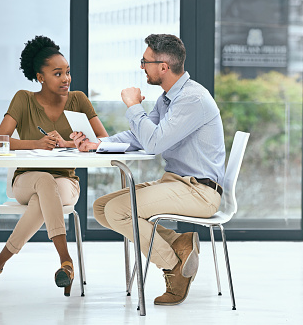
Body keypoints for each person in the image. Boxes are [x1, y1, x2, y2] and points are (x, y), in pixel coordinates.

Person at [71, 34, 225, 305]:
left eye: (145, 61)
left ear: (163, 66)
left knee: (119, 211)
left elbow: (154, 143)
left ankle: (173, 266)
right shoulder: (168, 99)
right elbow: (138, 136)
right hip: (177, 183)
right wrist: (98, 144)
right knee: (102, 208)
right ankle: (179, 243)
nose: (142, 67)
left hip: (199, 191)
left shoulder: (192, 99)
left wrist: (133, 106)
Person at [0, 35, 108, 297]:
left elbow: (103, 140)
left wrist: (70, 144)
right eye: (58, 74)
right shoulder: (23, 99)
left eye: (67, 72)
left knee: (45, 194)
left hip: (67, 183)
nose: (66, 78)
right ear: (40, 77)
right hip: (25, 180)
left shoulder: (78, 99)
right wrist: (37, 143)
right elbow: (1, 140)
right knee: (44, 181)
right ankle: (66, 261)